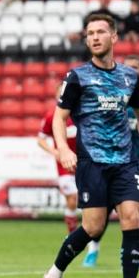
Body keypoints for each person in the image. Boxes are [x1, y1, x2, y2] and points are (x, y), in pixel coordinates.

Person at [37, 14, 139, 278]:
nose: (94, 37)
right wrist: (64, 150)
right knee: (93, 227)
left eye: (101, 32)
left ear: (114, 37)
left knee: (132, 216)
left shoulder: (130, 77)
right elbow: (59, 117)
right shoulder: (77, 77)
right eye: (90, 32)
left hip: (126, 161)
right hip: (92, 162)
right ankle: (53, 275)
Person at [84, 55, 139, 269]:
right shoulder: (113, 94)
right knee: (102, 208)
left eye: (135, 68)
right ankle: (93, 250)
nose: (131, 70)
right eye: (128, 67)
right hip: (113, 160)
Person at [37, 87, 79, 234]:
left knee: (85, 201)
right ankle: (72, 232)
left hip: (83, 163)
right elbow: (40, 140)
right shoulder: (52, 116)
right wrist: (54, 152)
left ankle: (85, 233)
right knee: (73, 198)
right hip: (64, 166)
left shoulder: (80, 114)